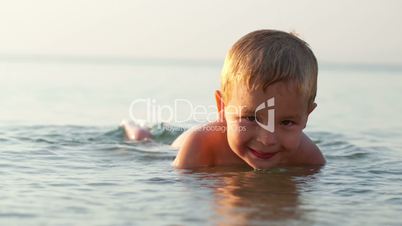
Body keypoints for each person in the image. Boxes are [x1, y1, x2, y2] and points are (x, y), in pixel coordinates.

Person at [123, 29, 325, 169]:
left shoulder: (308, 157)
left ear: (306, 116)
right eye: (251, 118)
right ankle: (132, 126)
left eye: (286, 122)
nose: (267, 139)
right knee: (144, 140)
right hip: (176, 145)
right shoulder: (200, 147)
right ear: (222, 107)